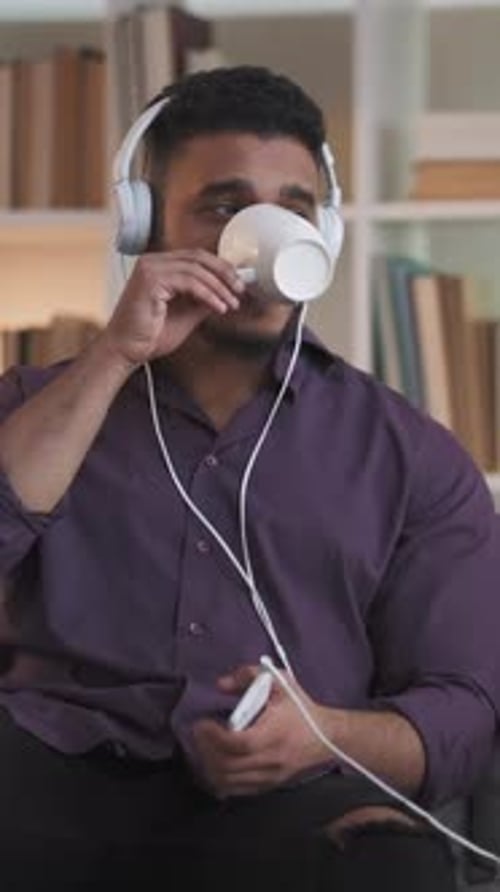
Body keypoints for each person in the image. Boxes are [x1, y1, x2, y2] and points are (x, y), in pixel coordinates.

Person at [0, 65, 498, 892]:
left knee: (389, 868)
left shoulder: (410, 456)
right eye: (227, 208)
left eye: (293, 210)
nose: (265, 234)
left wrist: (325, 735)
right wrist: (114, 357)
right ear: (144, 229)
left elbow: (467, 711)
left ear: (324, 237)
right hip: (46, 773)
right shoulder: (36, 407)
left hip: (283, 805)